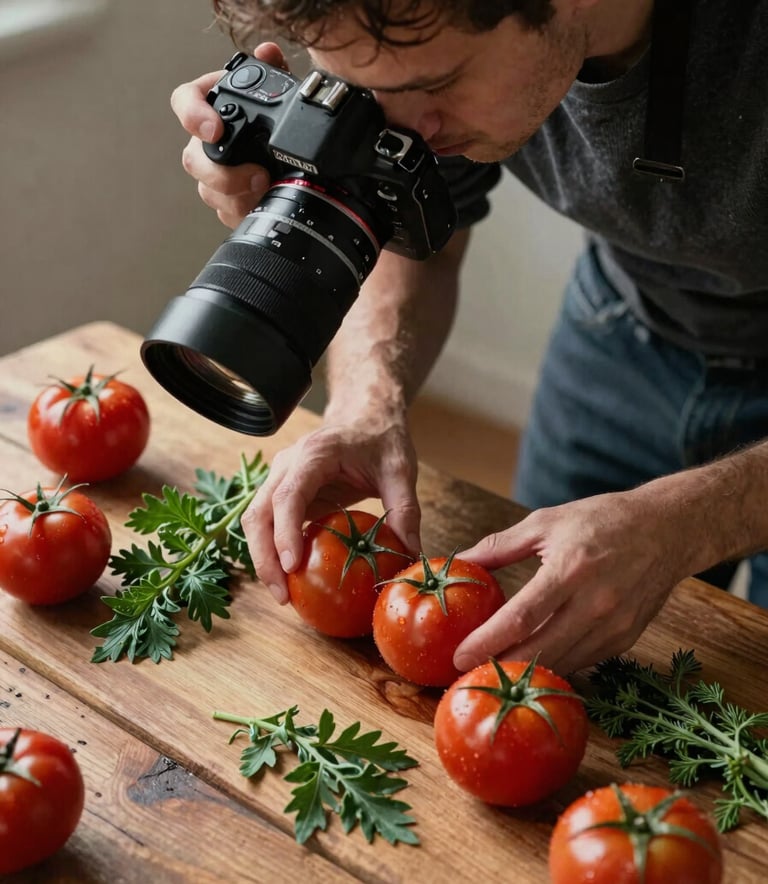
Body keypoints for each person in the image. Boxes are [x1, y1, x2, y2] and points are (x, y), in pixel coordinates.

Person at [171, 0, 768, 674]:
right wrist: (368, 404)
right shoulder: (423, 40)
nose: (410, 128)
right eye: (375, 96)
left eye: (432, 88)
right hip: (623, 325)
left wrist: (681, 524)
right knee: (553, 641)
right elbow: (414, 239)